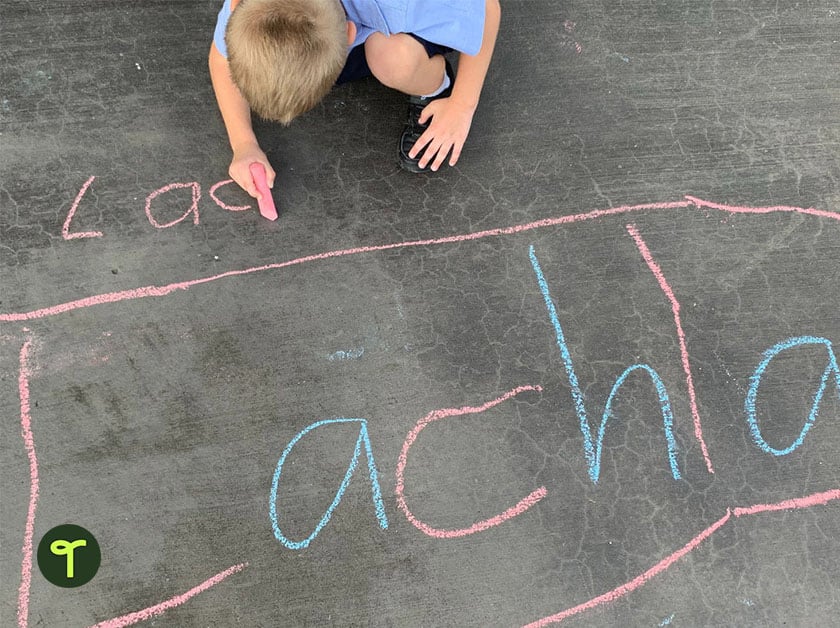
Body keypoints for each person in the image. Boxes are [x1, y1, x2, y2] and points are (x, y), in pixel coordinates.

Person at [208, 0, 500, 200]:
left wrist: (462, 104)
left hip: (404, 15)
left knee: (393, 59)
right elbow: (223, 59)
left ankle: (434, 86)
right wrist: (244, 144)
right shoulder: (254, 9)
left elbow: (486, 9)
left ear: (349, 33)